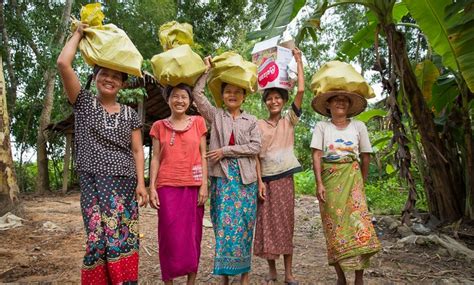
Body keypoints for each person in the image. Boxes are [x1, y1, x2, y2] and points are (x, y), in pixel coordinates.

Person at [57, 23, 148, 285]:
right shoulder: (83, 103)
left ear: (122, 83)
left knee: (123, 236)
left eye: (116, 76)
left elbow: (136, 150)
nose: (109, 79)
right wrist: (78, 33)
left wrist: (142, 183)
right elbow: (64, 64)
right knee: (97, 237)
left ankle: (123, 282)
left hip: (125, 183)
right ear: (95, 77)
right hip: (94, 182)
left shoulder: (130, 114)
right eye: (104, 74)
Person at [310, 62, 381, 285]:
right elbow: (317, 156)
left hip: (353, 178)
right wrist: (319, 183)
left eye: (345, 100)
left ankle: (359, 277)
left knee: (360, 224)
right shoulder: (322, 127)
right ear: (328, 105)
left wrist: (362, 180)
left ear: (350, 105)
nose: (340, 102)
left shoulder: (359, 126)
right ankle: (341, 277)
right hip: (330, 180)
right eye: (336, 99)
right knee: (334, 227)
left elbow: (366, 156)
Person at [192, 57, 261, 285]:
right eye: (228, 91)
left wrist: (226, 150)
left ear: (244, 96)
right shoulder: (216, 116)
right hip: (222, 179)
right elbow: (197, 95)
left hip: (245, 181)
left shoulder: (251, 120)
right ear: (222, 95)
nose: (232, 95)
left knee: (244, 227)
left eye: (237, 92)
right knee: (223, 227)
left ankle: (244, 276)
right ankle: (224, 277)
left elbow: (256, 147)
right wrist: (207, 70)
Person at [253, 48, 304, 285]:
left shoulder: (289, 121)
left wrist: (298, 61)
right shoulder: (258, 125)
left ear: (283, 102)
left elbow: (301, 90)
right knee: (266, 226)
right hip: (266, 181)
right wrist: (259, 182)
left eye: (278, 98)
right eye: (270, 98)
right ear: (265, 103)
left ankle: (289, 273)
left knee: (286, 224)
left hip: (285, 179)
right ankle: (272, 270)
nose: (274, 101)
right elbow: (255, 156)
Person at [148, 83, 208, 284]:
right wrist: (152, 187)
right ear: (168, 99)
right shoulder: (158, 126)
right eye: (175, 96)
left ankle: (191, 281)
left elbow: (203, 155)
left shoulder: (199, 122)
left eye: (184, 97)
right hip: (166, 187)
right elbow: (155, 158)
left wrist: (204, 185)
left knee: (193, 237)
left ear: (190, 101)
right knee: (168, 238)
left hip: (193, 186)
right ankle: (169, 282)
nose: (179, 100)